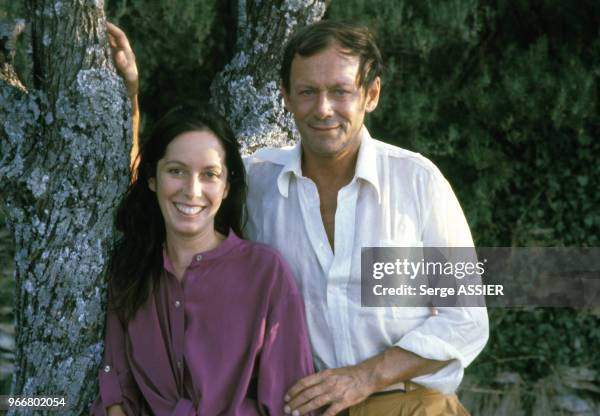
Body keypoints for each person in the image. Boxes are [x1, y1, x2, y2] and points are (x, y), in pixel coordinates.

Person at [109, 19, 488, 416]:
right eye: (307, 92)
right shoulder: (259, 185)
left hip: (411, 404)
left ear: (370, 94)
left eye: (340, 91)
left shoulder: (417, 184)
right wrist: (130, 96)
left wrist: (365, 377)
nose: (323, 109)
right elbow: (171, 187)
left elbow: (466, 321)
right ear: (286, 97)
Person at [90, 104, 314, 415]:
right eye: (176, 171)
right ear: (153, 178)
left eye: (209, 174)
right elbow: (117, 392)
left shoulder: (265, 273)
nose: (192, 191)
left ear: (225, 188)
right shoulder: (131, 269)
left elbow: (291, 403)